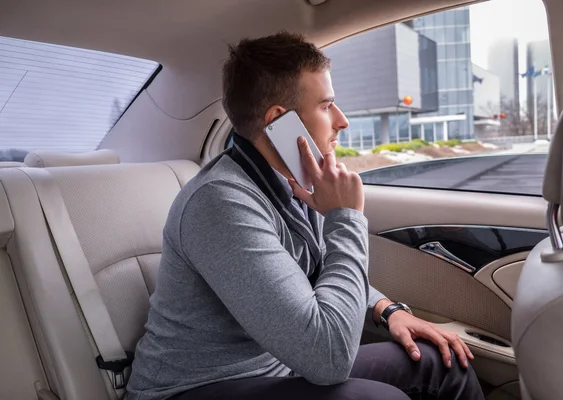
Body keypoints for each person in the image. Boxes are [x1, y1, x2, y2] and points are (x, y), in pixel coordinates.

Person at [127, 32, 485, 400]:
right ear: (279, 122)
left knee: (440, 363)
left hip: (277, 368)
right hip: (194, 389)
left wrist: (387, 309)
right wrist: (345, 217)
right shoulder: (220, 203)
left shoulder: (290, 182)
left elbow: (316, 270)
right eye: (327, 105)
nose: (342, 121)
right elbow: (328, 360)